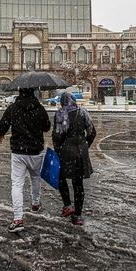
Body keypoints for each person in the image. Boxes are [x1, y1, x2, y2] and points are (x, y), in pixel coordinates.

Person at [0, 88, 51, 233]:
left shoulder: (13, 108)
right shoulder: (39, 108)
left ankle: (18, 218)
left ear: (20, 92)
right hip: (36, 150)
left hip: (18, 152)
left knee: (17, 184)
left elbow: (3, 124)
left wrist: (1, 133)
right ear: (33, 92)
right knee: (35, 178)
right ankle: (35, 203)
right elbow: (47, 127)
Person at [52, 92, 96, 226]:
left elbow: (58, 135)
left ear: (62, 102)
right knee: (78, 184)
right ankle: (77, 216)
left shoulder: (61, 114)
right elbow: (92, 132)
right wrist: (85, 144)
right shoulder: (83, 112)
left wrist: (58, 149)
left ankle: (67, 205)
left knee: (60, 178)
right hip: (81, 151)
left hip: (66, 151)